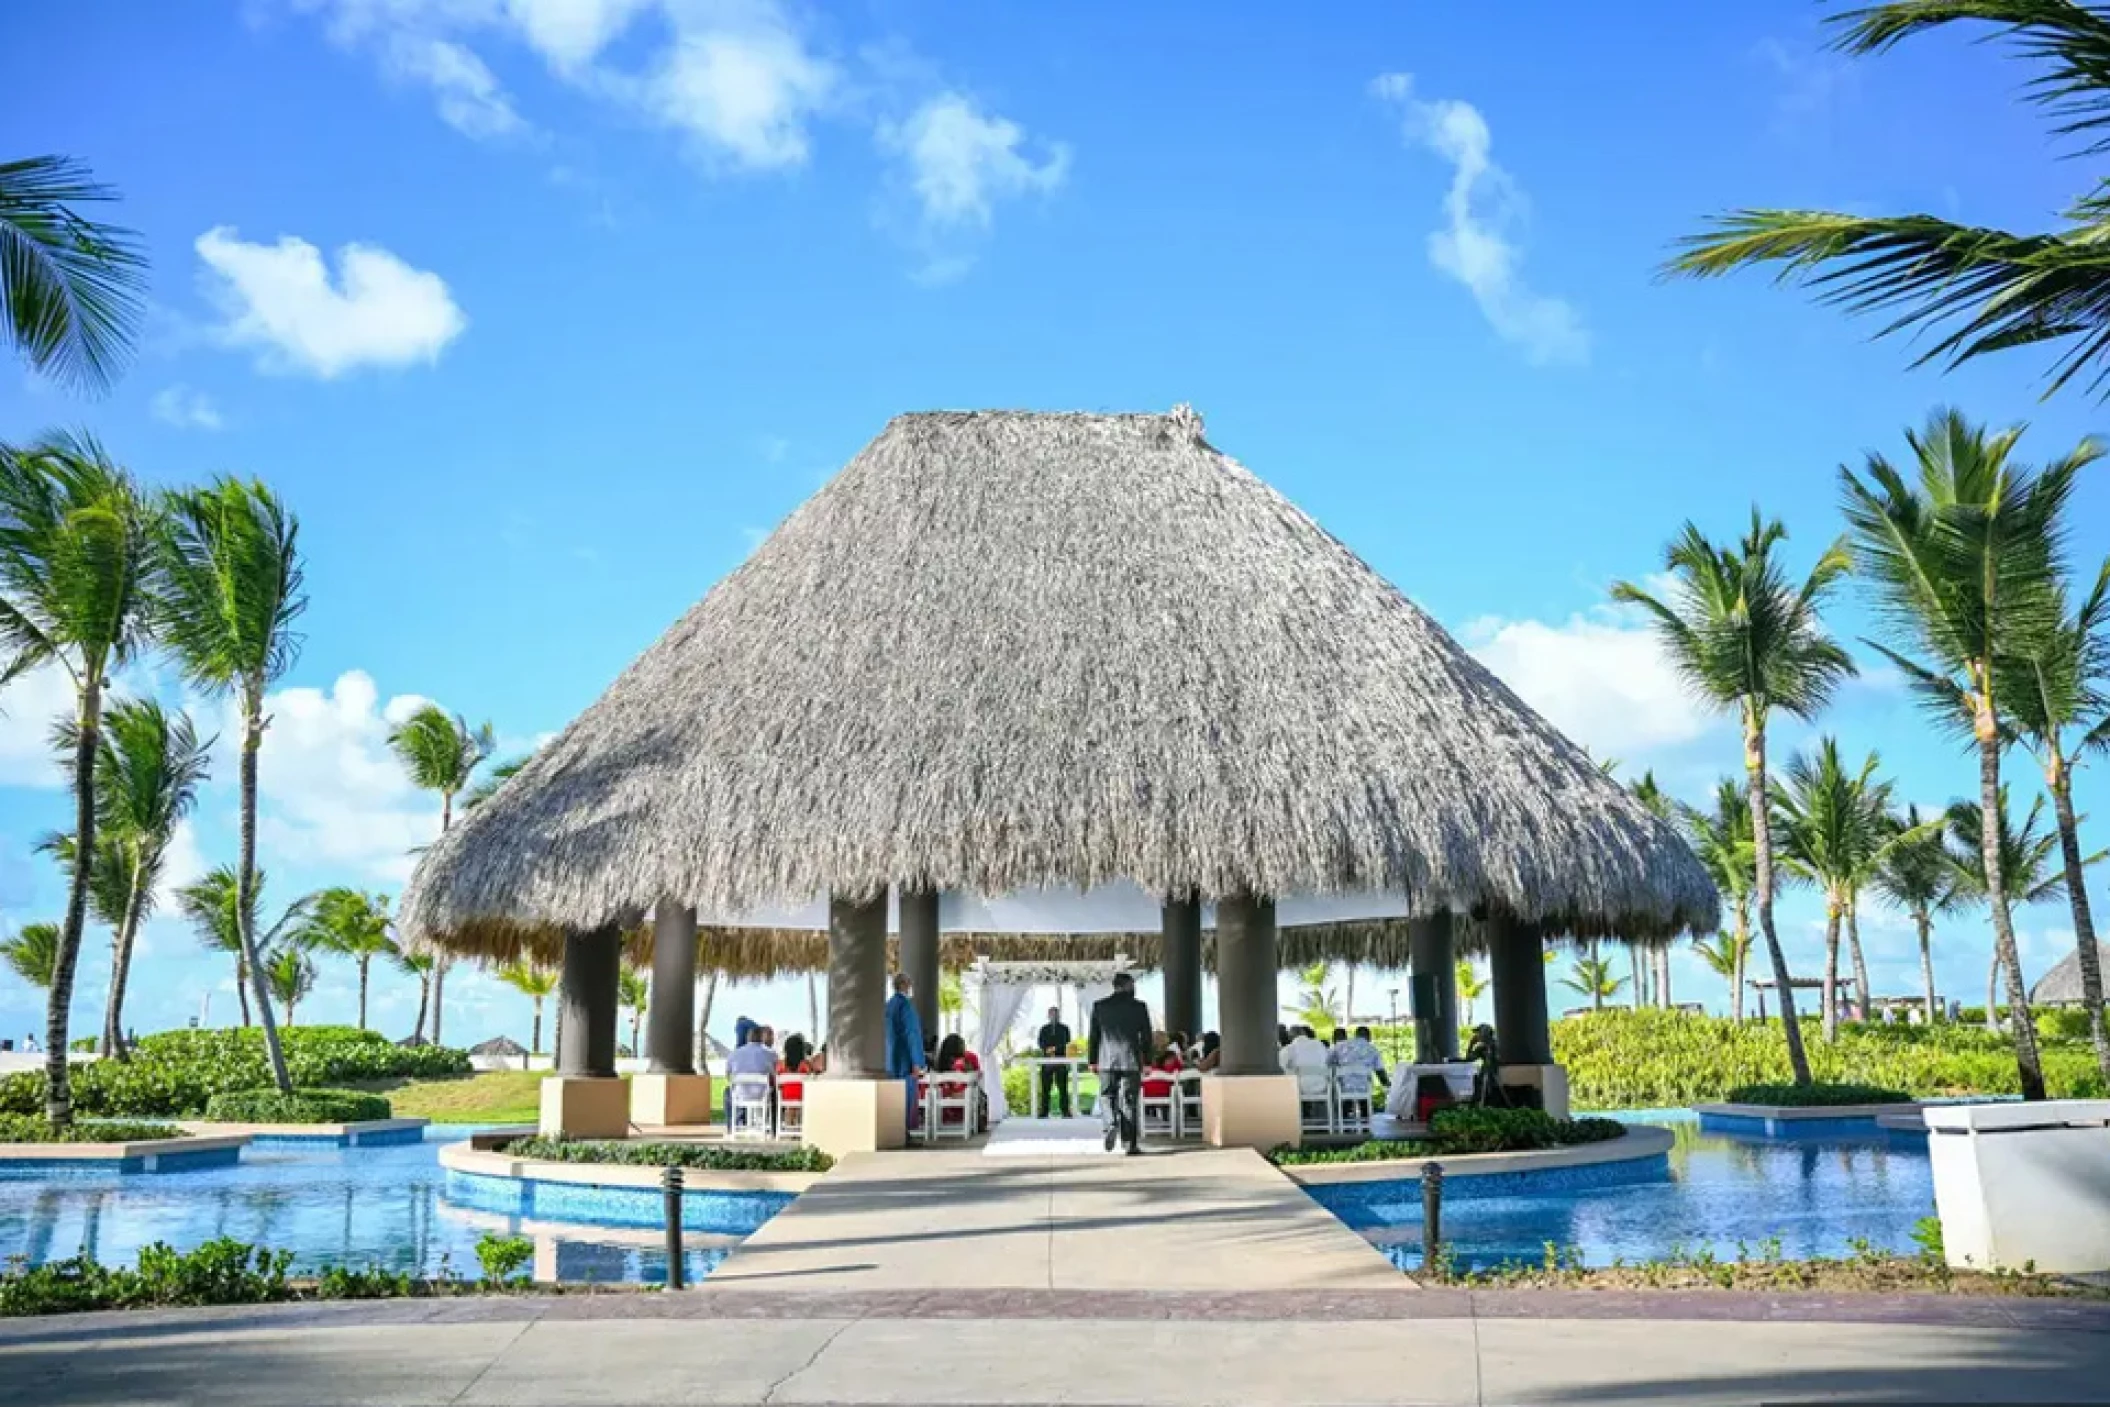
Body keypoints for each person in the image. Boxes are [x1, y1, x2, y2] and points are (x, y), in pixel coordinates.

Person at [1088, 971, 1153, 1155]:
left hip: (1107, 1061)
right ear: (1128, 986)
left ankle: (1110, 1124)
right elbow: (1146, 1037)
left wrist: (1092, 1060)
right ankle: (1129, 1144)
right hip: (1131, 1061)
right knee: (1129, 1102)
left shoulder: (1100, 1006)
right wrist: (1147, 1061)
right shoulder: (1139, 1007)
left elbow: (1094, 1036)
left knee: (1107, 1095)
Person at [885, 972, 927, 1127]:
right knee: (906, 1096)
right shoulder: (906, 1006)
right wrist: (917, 1061)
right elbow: (912, 1034)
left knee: (891, 1097)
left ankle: (893, 1130)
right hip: (904, 1059)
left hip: (889, 1059)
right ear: (905, 985)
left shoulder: (888, 1005)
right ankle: (905, 1132)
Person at [724, 1025, 778, 1127]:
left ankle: (732, 1126)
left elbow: (727, 1076)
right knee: (775, 1092)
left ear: (747, 1038)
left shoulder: (734, 1053)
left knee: (727, 1091)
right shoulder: (771, 1054)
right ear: (762, 1037)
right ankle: (773, 1127)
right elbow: (774, 1074)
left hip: (740, 1095)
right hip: (762, 1095)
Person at [1035, 1004, 1073, 1117]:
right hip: (1047, 1061)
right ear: (1048, 1015)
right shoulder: (1044, 1029)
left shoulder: (1065, 1028)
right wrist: (1047, 1049)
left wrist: (1056, 1048)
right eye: (1051, 1014)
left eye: (1055, 1014)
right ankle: (1044, 1111)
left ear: (1059, 1015)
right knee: (1045, 1088)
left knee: (1063, 1088)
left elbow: (1067, 1042)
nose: (1053, 1016)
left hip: (1061, 1060)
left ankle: (1065, 1111)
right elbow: (1040, 1042)